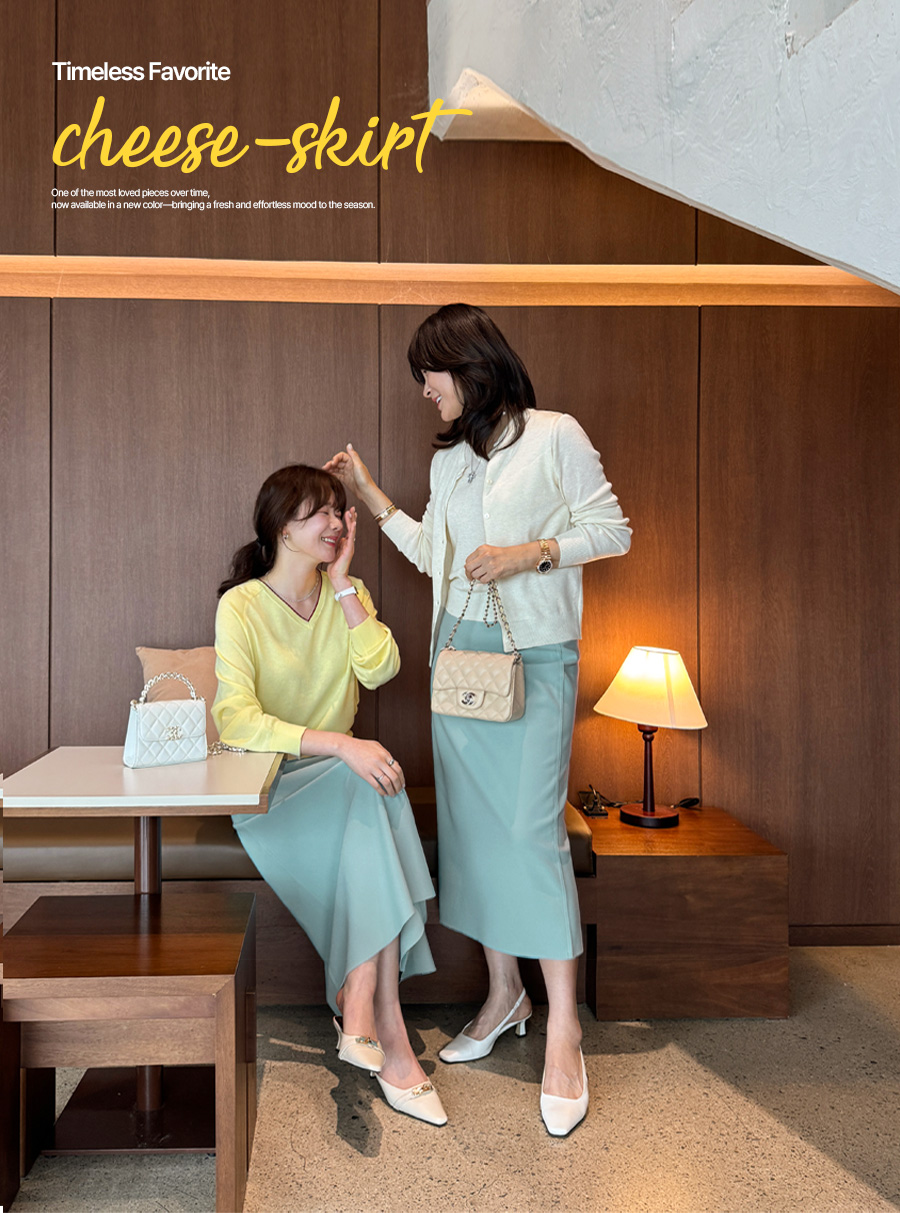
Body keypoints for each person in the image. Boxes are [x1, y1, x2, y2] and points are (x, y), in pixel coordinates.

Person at [326, 303, 631, 1137]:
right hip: (456, 664)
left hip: (533, 658)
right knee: (476, 835)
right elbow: (436, 556)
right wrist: (371, 497)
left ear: (467, 363)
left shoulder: (555, 435)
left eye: (428, 373)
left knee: (531, 834)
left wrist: (527, 553)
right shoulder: (452, 459)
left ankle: (563, 1031)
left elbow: (612, 529)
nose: (425, 390)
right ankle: (505, 995)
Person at [212, 463, 447, 1126]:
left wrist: (343, 583)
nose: (337, 523)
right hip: (269, 789)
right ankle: (376, 1018)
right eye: (320, 511)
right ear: (281, 526)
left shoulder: (350, 592)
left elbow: (382, 667)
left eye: (341, 511)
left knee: (370, 781)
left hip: (344, 784)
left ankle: (369, 1007)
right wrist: (341, 744)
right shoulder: (242, 606)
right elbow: (237, 722)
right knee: (370, 775)